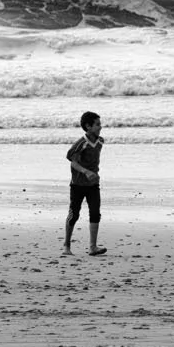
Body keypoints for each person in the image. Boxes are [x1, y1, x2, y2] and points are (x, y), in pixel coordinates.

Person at [65, 110, 106, 256]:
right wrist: (86, 172)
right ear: (88, 126)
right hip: (77, 185)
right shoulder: (80, 144)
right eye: (97, 124)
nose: (100, 127)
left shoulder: (100, 141)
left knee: (95, 213)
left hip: (93, 185)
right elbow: (73, 163)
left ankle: (93, 247)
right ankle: (66, 246)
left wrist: (94, 173)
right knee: (74, 215)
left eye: (100, 124)